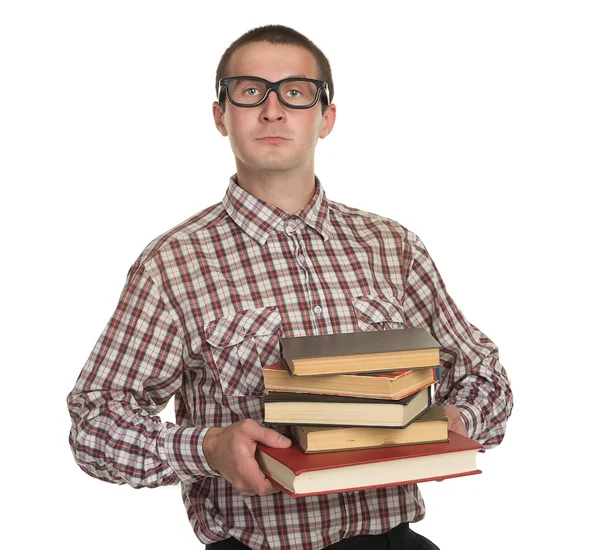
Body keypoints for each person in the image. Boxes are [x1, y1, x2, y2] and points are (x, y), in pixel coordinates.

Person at [67, 24, 513, 550]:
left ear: (326, 119)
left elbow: (485, 374)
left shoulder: (393, 247)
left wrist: (450, 422)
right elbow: (96, 422)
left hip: (393, 540)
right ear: (220, 116)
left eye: (295, 94)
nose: (273, 110)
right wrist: (206, 448)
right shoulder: (174, 265)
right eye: (250, 91)